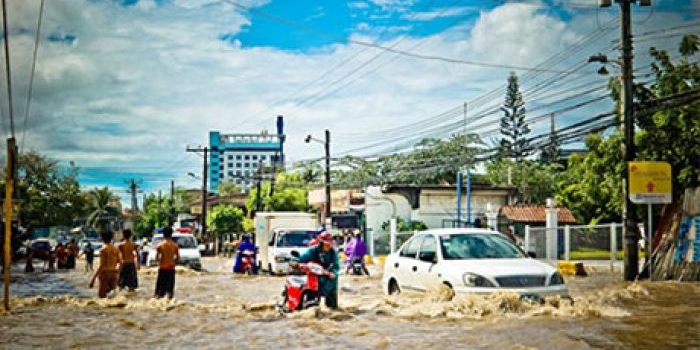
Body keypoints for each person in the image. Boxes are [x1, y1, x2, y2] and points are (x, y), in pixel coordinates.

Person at [290, 231, 340, 309]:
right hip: (315, 279)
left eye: (329, 244)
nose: (328, 246)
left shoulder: (333, 253)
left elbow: (336, 266)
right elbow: (302, 258)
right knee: (310, 307)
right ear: (321, 243)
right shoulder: (313, 251)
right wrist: (295, 262)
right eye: (326, 244)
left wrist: (333, 273)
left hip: (330, 280)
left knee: (332, 308)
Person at [89, 231, 122, 298]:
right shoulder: (116, 249)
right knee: (113, 297)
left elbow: (102, 265)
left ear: (102, 238)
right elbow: (121, 262)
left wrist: (93, 279)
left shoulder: (103, 250)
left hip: (105, 273)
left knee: (101, 296)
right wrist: (118, 273)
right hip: (114, 273)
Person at [154, 226, 180, 299]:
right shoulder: (175, 246)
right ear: (171, 234)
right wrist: (173, 262)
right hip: (171, 269)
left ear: (163, 234)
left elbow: (156, 259)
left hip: (162, 269)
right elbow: (178, 259)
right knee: (170, 292)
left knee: (159, 293)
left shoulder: (160, 246)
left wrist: (160, 262)